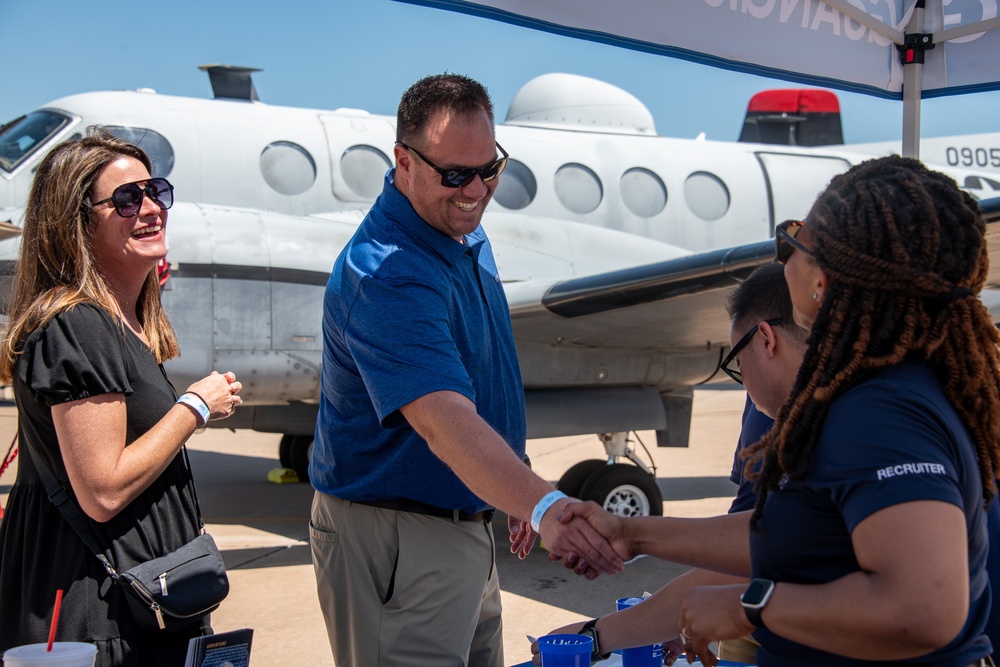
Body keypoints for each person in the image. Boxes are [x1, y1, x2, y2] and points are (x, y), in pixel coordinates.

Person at [557, 156, 1000, 667]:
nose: (783, 255)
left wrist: (752, 607)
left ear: (824, 280)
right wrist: (632, 532)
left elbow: (923, 610)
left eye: (796, 241)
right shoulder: (873, 396)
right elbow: (796, 538)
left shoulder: (879, 412)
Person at [308, 73, 623, 667]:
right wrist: (542, 504)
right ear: (403, 162)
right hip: (399, 537)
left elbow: (482, 369)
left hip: (466, 522)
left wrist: (511, 479)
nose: (477, 190)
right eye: (456, 174)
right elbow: (443, 421)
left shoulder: (456, 229)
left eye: (490, 168)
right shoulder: (387, 274)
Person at [0, 129, 243, 667]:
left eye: (156, 191)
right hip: (98, 612)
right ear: (76, 223)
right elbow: (104, 490)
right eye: (127, 199)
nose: (152, 208)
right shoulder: (78, 325)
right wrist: (195, 406)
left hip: (145, 602)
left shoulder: (119, 324)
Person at [534, 262, 808, 665]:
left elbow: (911, 606)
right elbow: (759, 535)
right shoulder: (803, 411)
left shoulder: (870, 427)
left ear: (766, 340)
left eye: (736, 365)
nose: (743, 382)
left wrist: (601, 631)